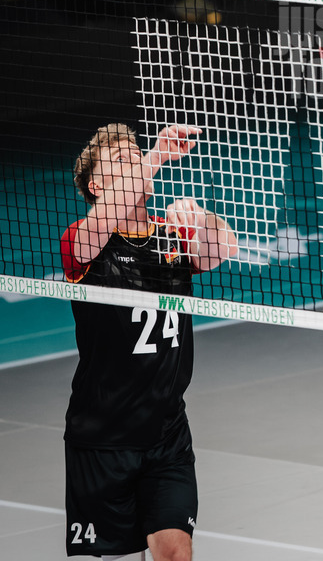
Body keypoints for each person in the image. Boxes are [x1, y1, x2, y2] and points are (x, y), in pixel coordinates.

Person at [61, 122, 238, 560]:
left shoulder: (170, 235)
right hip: (104, 437)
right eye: (122, 161)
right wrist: (155, 155)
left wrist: (201, 219)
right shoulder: (83, 240)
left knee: (175, 550)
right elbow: (95, 231)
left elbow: (223, 248)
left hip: (167, 432)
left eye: (135, 156)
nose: (135, 163)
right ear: (96, 185)